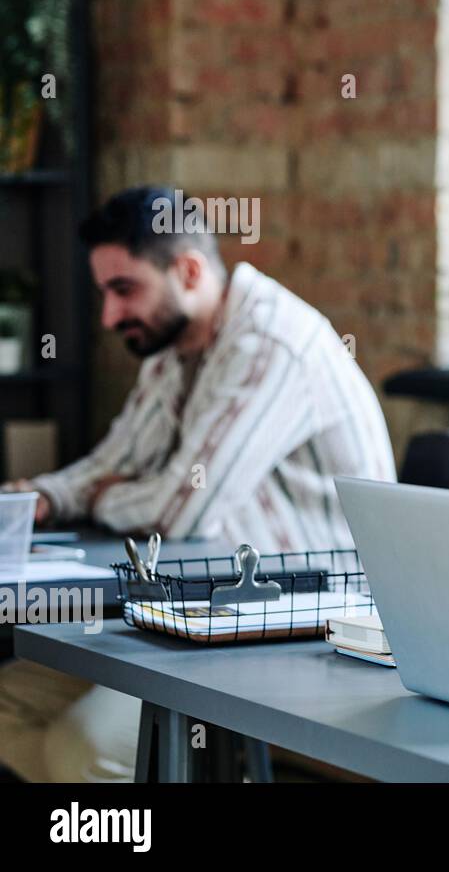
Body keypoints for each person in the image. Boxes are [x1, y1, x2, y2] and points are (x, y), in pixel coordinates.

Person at [0, 186, 396, 781]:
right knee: (7, 710)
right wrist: (46, 496)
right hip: (191, 611)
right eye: (104, 292)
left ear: (187, 271)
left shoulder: (269, 346)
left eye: (123, 289)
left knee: (82, 750)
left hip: (299, 624)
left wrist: (110, 493)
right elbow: (117, 456)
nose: (108, 317)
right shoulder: (171, 350)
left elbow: (178, 511)